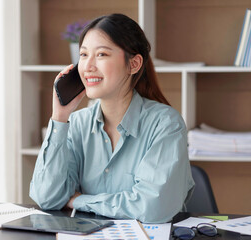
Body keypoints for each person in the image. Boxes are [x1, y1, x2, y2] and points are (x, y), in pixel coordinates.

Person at [29, 13, 194, 223]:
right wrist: (59, 117)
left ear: (133, 64)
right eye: (83, 55)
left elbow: (152, 208)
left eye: (101, 55)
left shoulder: (165, 124)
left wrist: (79, 201)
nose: (87, 66)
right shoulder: (77, 123)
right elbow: (47, 198)